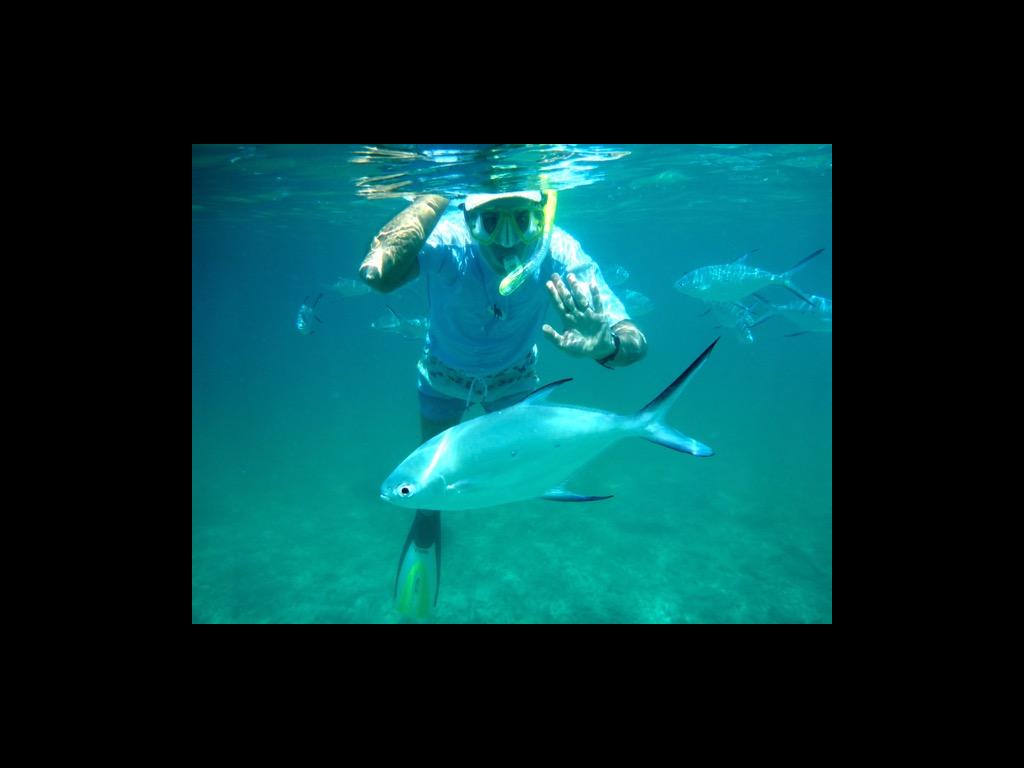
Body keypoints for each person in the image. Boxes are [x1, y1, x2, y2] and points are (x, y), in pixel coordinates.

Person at [359, 191, 648, 618]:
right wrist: (432, 198)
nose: (508, 240)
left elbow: (634, 343)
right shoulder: (449, 243)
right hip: (443, 378)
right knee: (427, 483)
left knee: (528, 477)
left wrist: (606, 344)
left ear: (541, 217)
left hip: (515, 381)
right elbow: (379, 275)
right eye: (490, 222)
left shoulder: (559, 249)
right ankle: (426, 521)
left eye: (523, 222)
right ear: (467, 218)